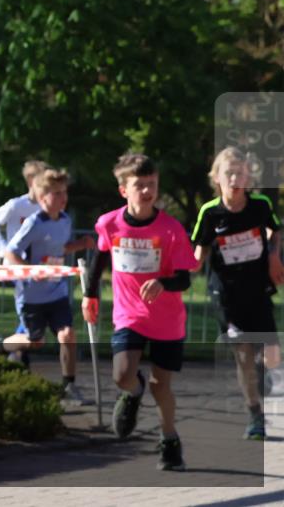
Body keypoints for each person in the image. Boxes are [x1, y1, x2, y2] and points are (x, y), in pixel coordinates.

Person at [82, 154, 198, 471]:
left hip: (167, 320)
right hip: (129, 313)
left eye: (152, 185)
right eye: (139, 186)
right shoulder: (110, 224)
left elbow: (185, 278)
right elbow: (100, 260)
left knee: (163, 387)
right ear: (124, 190)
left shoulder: (171, 229)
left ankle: (169, 440)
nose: (147, 192)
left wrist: (163, 282)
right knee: (122, 374)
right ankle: (134, 392)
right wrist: (89, 294)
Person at [191, 146, 284, 440]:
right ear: (217, 177)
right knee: (243, 354)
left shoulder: (260, 205)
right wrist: (179, 270)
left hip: (257, 289)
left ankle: (262, 379)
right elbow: (199, 253)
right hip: (226, 296)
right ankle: (255, 414)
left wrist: (273, 255)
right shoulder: (210, 212)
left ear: (248, 177)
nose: (235, 178)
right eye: (229, 173)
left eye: (241, 173)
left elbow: (275, 231)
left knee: (270, 353)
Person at [0, 168, 94, 404]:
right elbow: (12, 252)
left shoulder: (65, 220)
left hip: (56, 292)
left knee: (68, 335)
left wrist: (80, 244)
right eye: (56, 193)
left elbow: (60, 248)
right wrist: (30, 271)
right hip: (32, 296)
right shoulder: (34, 223)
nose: (63, 198)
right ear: (43, 198)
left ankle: (69, 386)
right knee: (36, 341)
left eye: (64, 192)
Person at [0, 160, 49, 366]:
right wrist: (5, 248)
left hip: (40, 267)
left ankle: (13, 351)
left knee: (40, 312)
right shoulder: (16, 205)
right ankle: (9, 348)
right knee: (31, 309)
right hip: (19, 267)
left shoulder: (47, 206)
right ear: (31, 181)